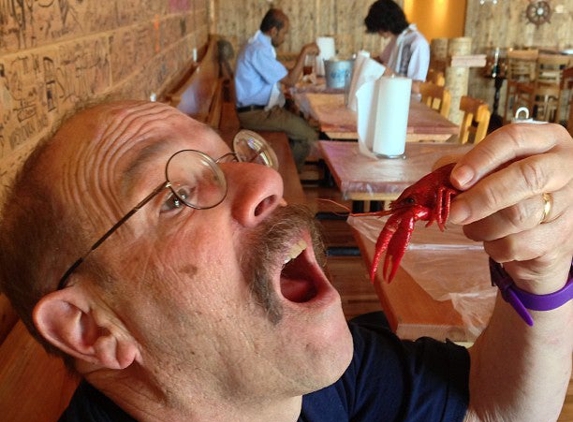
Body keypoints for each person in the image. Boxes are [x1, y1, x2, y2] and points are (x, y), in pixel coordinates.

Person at [0, 99, 572, 422]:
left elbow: (491, 412)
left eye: (230, 155)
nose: (268, 177)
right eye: (175, 196)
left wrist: (540, 271)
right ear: (91, 326)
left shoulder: (292, 380)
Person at [234, 8, 319, 173]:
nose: (284, 38)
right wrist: (304, 51)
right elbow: (291, 81)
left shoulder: (257, 45)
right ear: (274, 31)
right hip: (257, 114)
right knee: (309, 135)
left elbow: (277, 72)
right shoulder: (258, 50)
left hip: (258, 110)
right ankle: (285, 177)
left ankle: (286, 172)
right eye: (284, 33)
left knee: (299, 124)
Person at [364, 0, 430, 98]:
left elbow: (416, 88)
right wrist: (364, 60)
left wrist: (391, 74)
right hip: (390, 94)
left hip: (408, 102)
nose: (379, 33)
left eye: (378, 29)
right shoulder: (397, 39)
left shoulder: (417, 43)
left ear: (386, 24)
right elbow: (381, 60)